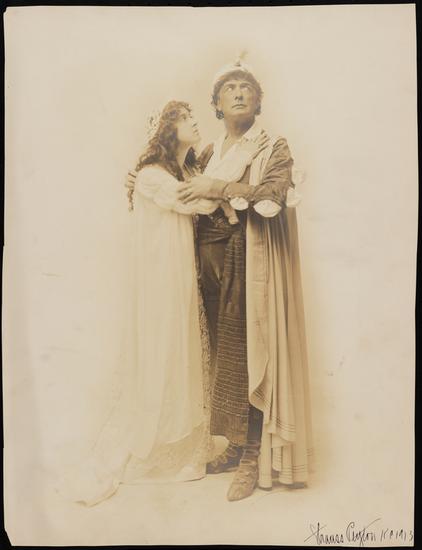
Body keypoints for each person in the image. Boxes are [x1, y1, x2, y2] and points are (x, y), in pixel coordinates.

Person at [57, 100, 267, 506]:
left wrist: (222, 181)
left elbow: (203, 189)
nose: (195, 123)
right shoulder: (153, 175)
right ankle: (159, 444)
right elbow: (200, 202)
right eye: (186, 119)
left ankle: (181, 438)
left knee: (181, 350)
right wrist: (240, 165)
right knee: (164, 348)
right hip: (161, 277)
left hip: (181, 271)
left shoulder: (186, 171)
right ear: (169, 131)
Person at [177, 59, 314, 502]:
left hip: (247, 258)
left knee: (252, 353)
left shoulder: (272, 147)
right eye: (230, 88)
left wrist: (217, 189)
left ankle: (253, 456)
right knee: (221, 354)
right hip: (206, 258)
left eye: (246, 87)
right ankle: (235, 445)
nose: (238, 93)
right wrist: (137, 177)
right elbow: (175, 180)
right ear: (217, 104)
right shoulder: (207, 153)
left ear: (257, 102)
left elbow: (273, 194)